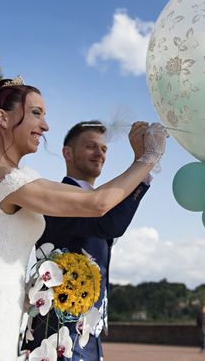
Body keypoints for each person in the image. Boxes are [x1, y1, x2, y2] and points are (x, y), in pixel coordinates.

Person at [0, 76, 167, 360]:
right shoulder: (8, 180)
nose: (45, 126)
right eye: (36, 113)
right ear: (2, 118)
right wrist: (148, 157)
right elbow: (98, 204)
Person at [23, 120, 150, 360]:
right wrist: (143, 164)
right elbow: (110, 223)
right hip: (57, 336)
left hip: (89, 336)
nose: (99, 153)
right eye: (91, 146)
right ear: (67, 153)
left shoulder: (99, 202)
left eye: (103, 149)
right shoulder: (55, 197)